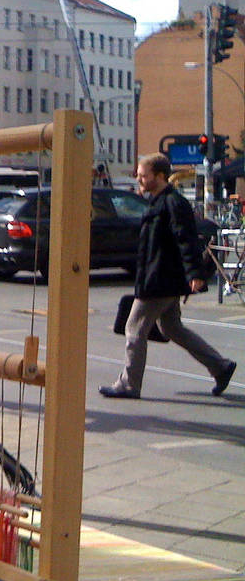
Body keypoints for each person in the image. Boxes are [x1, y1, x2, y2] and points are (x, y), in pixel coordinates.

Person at [100, 153, 236, 400]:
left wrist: (194, 273)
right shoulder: (158, 201)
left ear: (159, 176)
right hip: (159, 277)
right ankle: (221, 366)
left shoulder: (173, 203)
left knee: (134, 328)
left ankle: (129, 384)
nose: (139, 179)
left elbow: (186, 239)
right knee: (171, 327)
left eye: (143, 175)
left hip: (160, 279)